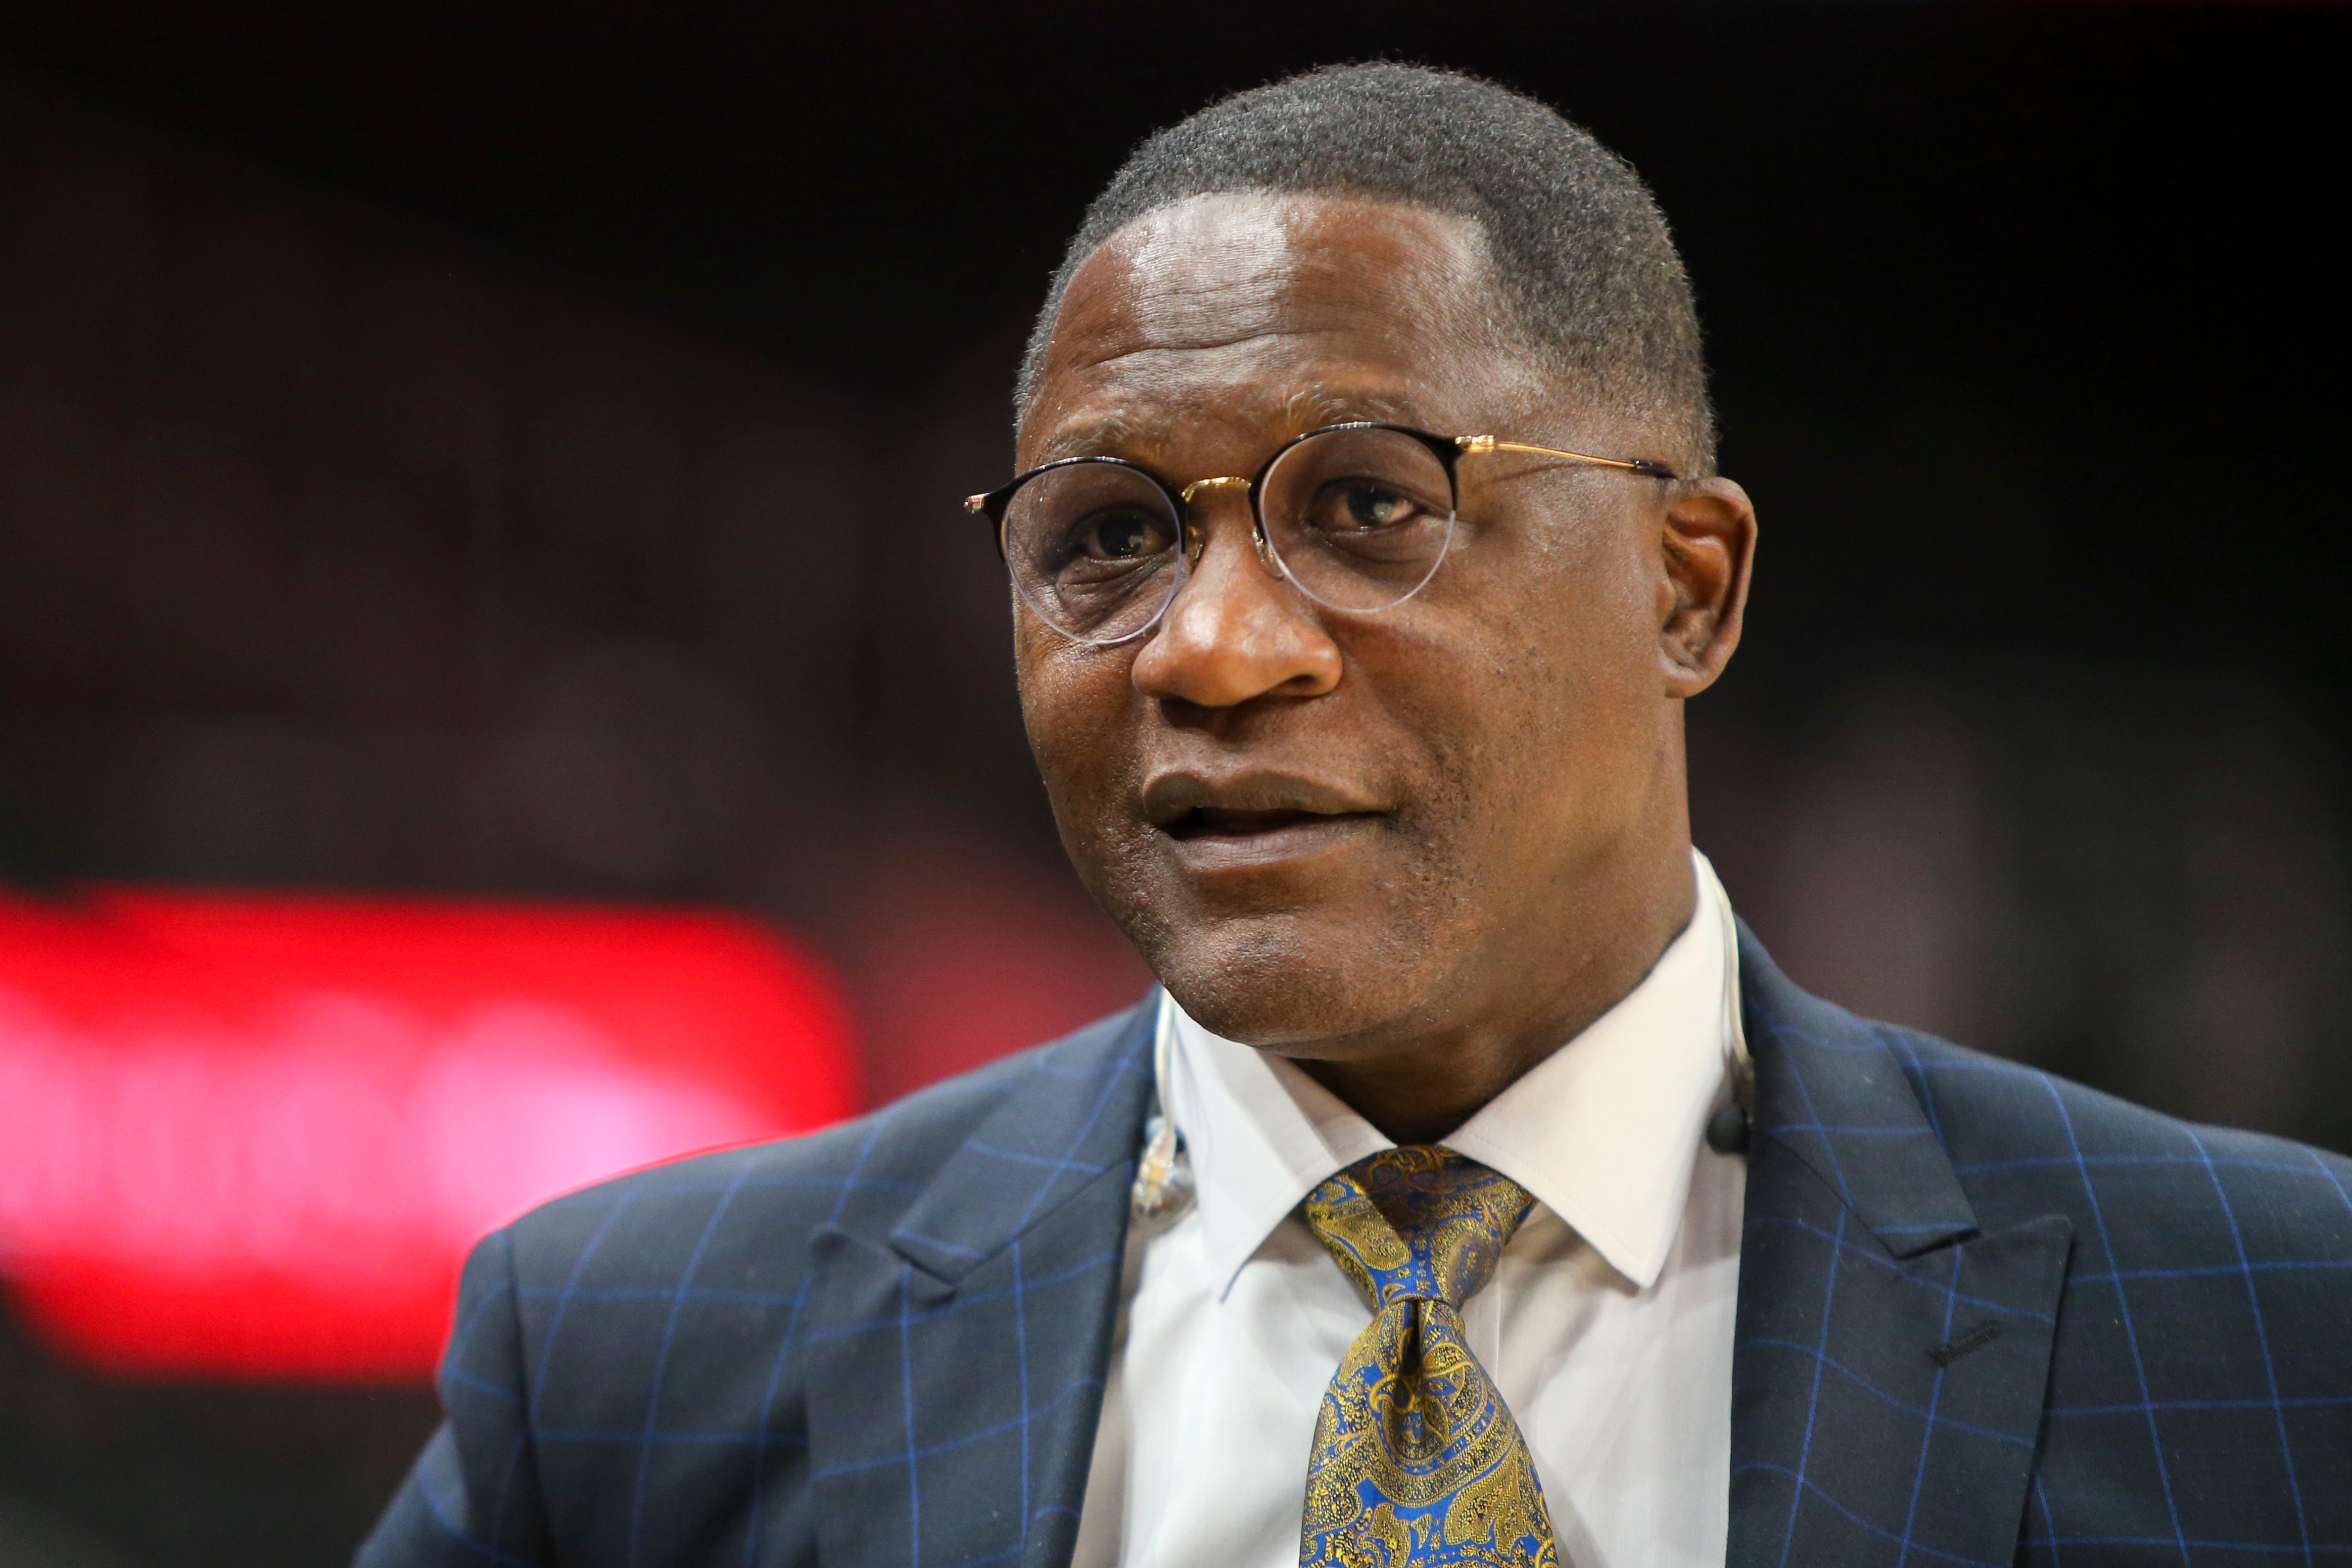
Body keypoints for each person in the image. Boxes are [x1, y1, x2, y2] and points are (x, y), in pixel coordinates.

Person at [358, 64, 2352, 1568]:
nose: (1211, 648)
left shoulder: (2277, 1323)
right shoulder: (631, 1360)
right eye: (1109, 536)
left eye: (1371, 503)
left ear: (1688, 586)